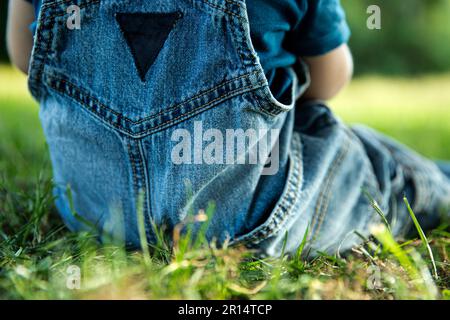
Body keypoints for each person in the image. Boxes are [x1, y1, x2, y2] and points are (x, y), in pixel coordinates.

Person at [7, 0, 450, 257]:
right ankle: (433, 183)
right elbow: (330, 78)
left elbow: (26, 58)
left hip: (94, 212)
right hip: (247, 215)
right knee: (362, 161)